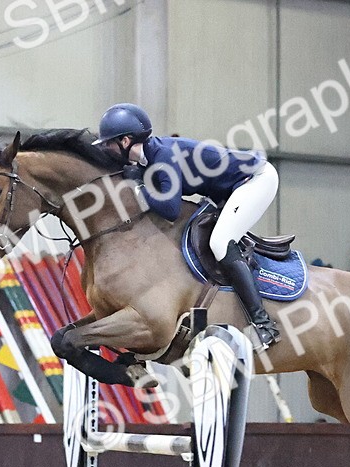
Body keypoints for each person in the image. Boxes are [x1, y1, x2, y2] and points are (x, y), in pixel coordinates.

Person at [93, 102, 281, 347]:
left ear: (126, 141)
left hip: (255, 180)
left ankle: (264, 324)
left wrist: (138, 186)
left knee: (221, 242)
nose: (107, 149)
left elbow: (170, 209)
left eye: (109, 143)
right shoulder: (148, 158)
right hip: (227, 190)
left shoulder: (162, 156)